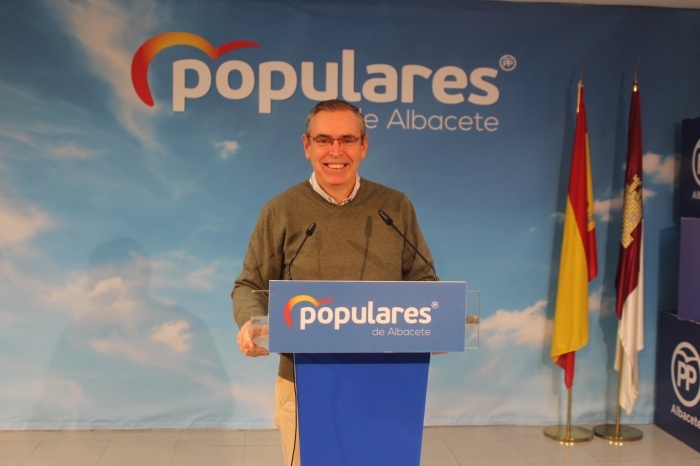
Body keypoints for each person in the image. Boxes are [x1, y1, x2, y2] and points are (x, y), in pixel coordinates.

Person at [231, 99, 435, 465]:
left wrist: (436, 320)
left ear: (364, 146)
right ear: (306, 145)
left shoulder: (394, 207)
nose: (335, 151)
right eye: (324, 140)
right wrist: (250, 321)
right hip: (305, 381)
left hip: (386, 382)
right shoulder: (281, 210)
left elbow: (423, 279)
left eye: (347, 140)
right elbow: (249, 285)